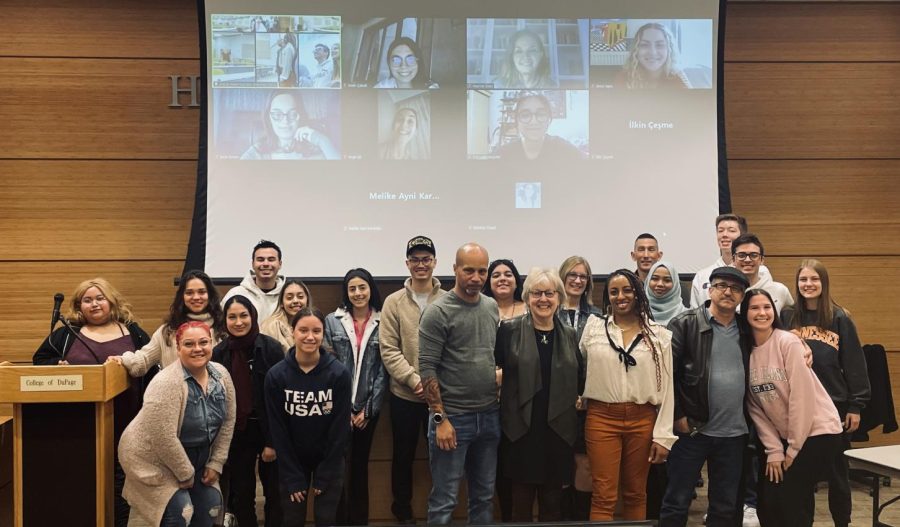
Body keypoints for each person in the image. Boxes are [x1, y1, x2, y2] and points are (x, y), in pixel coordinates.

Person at [33, 277, 151, 527]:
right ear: (79, 306)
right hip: (78, 427)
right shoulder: (65, 334)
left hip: (127, 424)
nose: (94, 304)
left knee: (123, 485)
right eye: (87, 300)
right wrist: (56, 365)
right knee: (82, 482)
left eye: (100, 298)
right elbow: (40, 361)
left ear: (111, 302)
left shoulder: (133, 331)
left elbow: (150, 368)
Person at [741, 289, 844, 527]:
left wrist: (793, 449)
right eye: (754, 308)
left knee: (791, 503)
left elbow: (802, 397)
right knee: (768, 502)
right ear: (744, 313)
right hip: (786, 437)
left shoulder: (787, 342)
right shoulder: (746, 351)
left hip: (818, 432)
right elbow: (756, 409)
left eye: (767, 307)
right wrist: (774, 450)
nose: (762, 313)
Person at [118, 321, 237, 527]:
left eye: (203, 342)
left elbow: (228, 422)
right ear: (178, 347)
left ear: (211, 344)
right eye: (189, 344)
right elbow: (162, 437)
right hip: (152, 458)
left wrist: (216, 462)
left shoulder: (221, 375)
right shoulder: (166, 382)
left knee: (212, 506)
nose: (197, 349)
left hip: (193, 455)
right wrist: (185, 473)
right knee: (181, 513)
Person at [781, 259, 870, 527]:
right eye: (803, 280)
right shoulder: (787, 316)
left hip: (834, 405)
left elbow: (855, 363)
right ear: (796, 284)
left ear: (823, 283)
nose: (808, 285)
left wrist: (856, 406)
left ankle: (843, 522)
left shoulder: (839, 316)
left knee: (837, 472)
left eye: (814, 279)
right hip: (798, 405)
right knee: (803, 473)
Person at [581, 269, 675, 521]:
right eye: (614, 291)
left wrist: (663, 436)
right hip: (601, 418)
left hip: (642, 419)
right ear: (607, 296)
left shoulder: (659, 335)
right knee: (603, 494)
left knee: (636, 493)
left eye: (627, 290)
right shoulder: (593, 328)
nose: (620, 296)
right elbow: (578, 367)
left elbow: (667, 389)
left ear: (637, 293)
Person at [660, 266, 750, 527]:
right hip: (693, 431)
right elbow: (667, 376)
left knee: (725, 506)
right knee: (677, 501)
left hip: (734, 433)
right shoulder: (685, 324)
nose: (728, 292)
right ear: (709, 290)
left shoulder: (746, 328)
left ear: (742, 296)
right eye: (722, 285)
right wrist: (677, 417)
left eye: (735, 289)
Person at [419, 243, 501, 525]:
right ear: (454, 269)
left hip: (489, 417)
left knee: (483, 497)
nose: (476, 278)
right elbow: (427, 368)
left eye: (482, 271)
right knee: (444, 501)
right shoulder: (438, 311)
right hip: (452, 419)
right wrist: (439, 418)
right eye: (469, 270)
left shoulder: (491, 307)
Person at [494, 268, 583, 521]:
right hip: (521, 429)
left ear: (559, 297)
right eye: (536, 293)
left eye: (549, 293)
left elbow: (579, 374)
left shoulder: (569, 334)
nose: (543, 299)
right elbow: (494, 366)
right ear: (527, 296)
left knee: (552, 505)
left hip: (557, 430)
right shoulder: (508, 331)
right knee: (520, 506)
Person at [265, 307, 352, 527]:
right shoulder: (276, 375)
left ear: (324, 334)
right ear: (293, 331)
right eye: (303, 330)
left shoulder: (339, 374)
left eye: (317, 331)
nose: (310, 337)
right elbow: (278, 430)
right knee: (292, 519)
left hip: (329, 459)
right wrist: (292, 477)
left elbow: (340, 429)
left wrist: (325, 474)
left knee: (326, 519)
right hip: (291, 460)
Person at [380, 235, 445, 524]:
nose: (421, 264)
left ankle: (441, 510)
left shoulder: (449, 300)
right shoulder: (393, 302)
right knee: (403, 456)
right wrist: (414, 380)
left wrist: (434, 386)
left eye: (426, 259)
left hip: (441, 397)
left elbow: (455, 347)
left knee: (441, 458)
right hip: (405, 396)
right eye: (415, 259)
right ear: (407, 264)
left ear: (434, 262)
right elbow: (389, 349)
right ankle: (402, 511)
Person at [213, 296, 285, 527]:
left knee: (275, 493)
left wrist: (272, 442)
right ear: (225, 321)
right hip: (236, 431)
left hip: (268, 429)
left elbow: (280, 399)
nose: (238, 322)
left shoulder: (271, 348)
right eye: (232, 317)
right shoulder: (219, 353)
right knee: (242, 495)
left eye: (243, 315)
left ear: (253, 317)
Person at [324, 268, 387, 526]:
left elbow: (385, 369)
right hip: (337, 411)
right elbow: (328, 366)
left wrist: (368, 410)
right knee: (337, 470)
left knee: (359, 469)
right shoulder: (332, 321)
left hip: (367, 411)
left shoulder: (384, 320)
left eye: (362, 287)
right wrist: (343, 410)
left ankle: (359, 521)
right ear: (346, 292)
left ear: (371, 289)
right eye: (352, 288)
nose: (358, 293)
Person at [112, 269, 225, 376]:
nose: (196, 297)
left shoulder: (222, 329)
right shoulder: (167, 331)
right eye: (189, 293)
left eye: (201, 292)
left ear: (210, 295)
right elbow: (143, 360)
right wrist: (122, 360)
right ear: (182, 296)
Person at [556, 255, 601, 520]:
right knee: (561, 466)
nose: (577, 280)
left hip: (588, 402)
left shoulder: (597, 317)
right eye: (572, 275)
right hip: (556, 404)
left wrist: (585, 394)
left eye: (583, 276)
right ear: (562, 278)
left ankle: (581, 519)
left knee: (584, 465)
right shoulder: (547, 311)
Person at [690, 214, 771, 308]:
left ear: (742, 235)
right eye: (720, 231)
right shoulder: (702, 276)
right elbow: (694, 312)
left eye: (731, 230)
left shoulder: (761, 271)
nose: (724, 235)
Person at [240, 92, 339, 160]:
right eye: (277, 114)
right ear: (268, 118)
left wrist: (323, 140)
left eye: (292, 114)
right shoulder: (257, 151)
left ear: (300, 116)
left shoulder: (315, 150)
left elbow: (341, 176)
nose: (285, 121)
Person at [498, 93, 583, 161]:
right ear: (516, 120)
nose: (533, 121)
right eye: (525, 115)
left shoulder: (566, 150)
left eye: (541, 114)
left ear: (549, 119)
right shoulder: (503, 154)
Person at [222, 240, 287, 319]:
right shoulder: (236, 294)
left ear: (280, 264)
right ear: (253, 264)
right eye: (260, 260)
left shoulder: (287, 296)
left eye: (271, 259)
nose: (266, 264)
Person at [732, 233, 794, 315]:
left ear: (761, 260)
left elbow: (793, 320)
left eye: (753, 255)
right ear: (733, 259)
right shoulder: (727, 292)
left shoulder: (780, 290)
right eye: (741, 255)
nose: (747, 260)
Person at [617, 23, 690, 89]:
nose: (653, 52)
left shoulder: (678, 78)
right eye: (644, 45)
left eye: (659, 45)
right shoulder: (624, 77)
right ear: (636, 50)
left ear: (669, 50)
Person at [494, 29, 558, 89]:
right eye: (519, 51)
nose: (525, 56)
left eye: (532, 50)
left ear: (540, 55)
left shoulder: (552, 86)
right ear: (512, 56)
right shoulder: (498, 85)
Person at [261, 279, 312, 353]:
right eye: (289, 298)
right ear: (281, 303)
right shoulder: (273, 326)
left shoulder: (314, 324)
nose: (295, 301)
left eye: (300, 297)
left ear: (307, 300)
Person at [374, 37, 439, 89]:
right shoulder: (382, 87)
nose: (403, 66)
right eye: (396, 60)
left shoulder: (431, 88)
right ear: (389, 63)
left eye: (410, 59)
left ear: (418, 62)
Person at [646, 261, 686, 326]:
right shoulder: (637, 313)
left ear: (675, 284)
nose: (660, 284)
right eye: (655, 279)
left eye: (667, 280)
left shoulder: (686, 317)